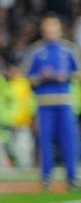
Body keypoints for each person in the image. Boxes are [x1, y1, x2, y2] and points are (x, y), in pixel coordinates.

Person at [25, 14, 80, 190]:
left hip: (64, 101)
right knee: (45, 140)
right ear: (43, 29)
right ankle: (46, 178)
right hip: (44, 103)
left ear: (59, 29)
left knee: (69, 140)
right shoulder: (36, 51)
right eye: (48, 26)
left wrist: (66, 75)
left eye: (54, 26)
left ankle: (72, 177)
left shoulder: (69, 50)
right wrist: (43, 77)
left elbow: (78, 73)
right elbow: (27, 76)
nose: (51, 30)